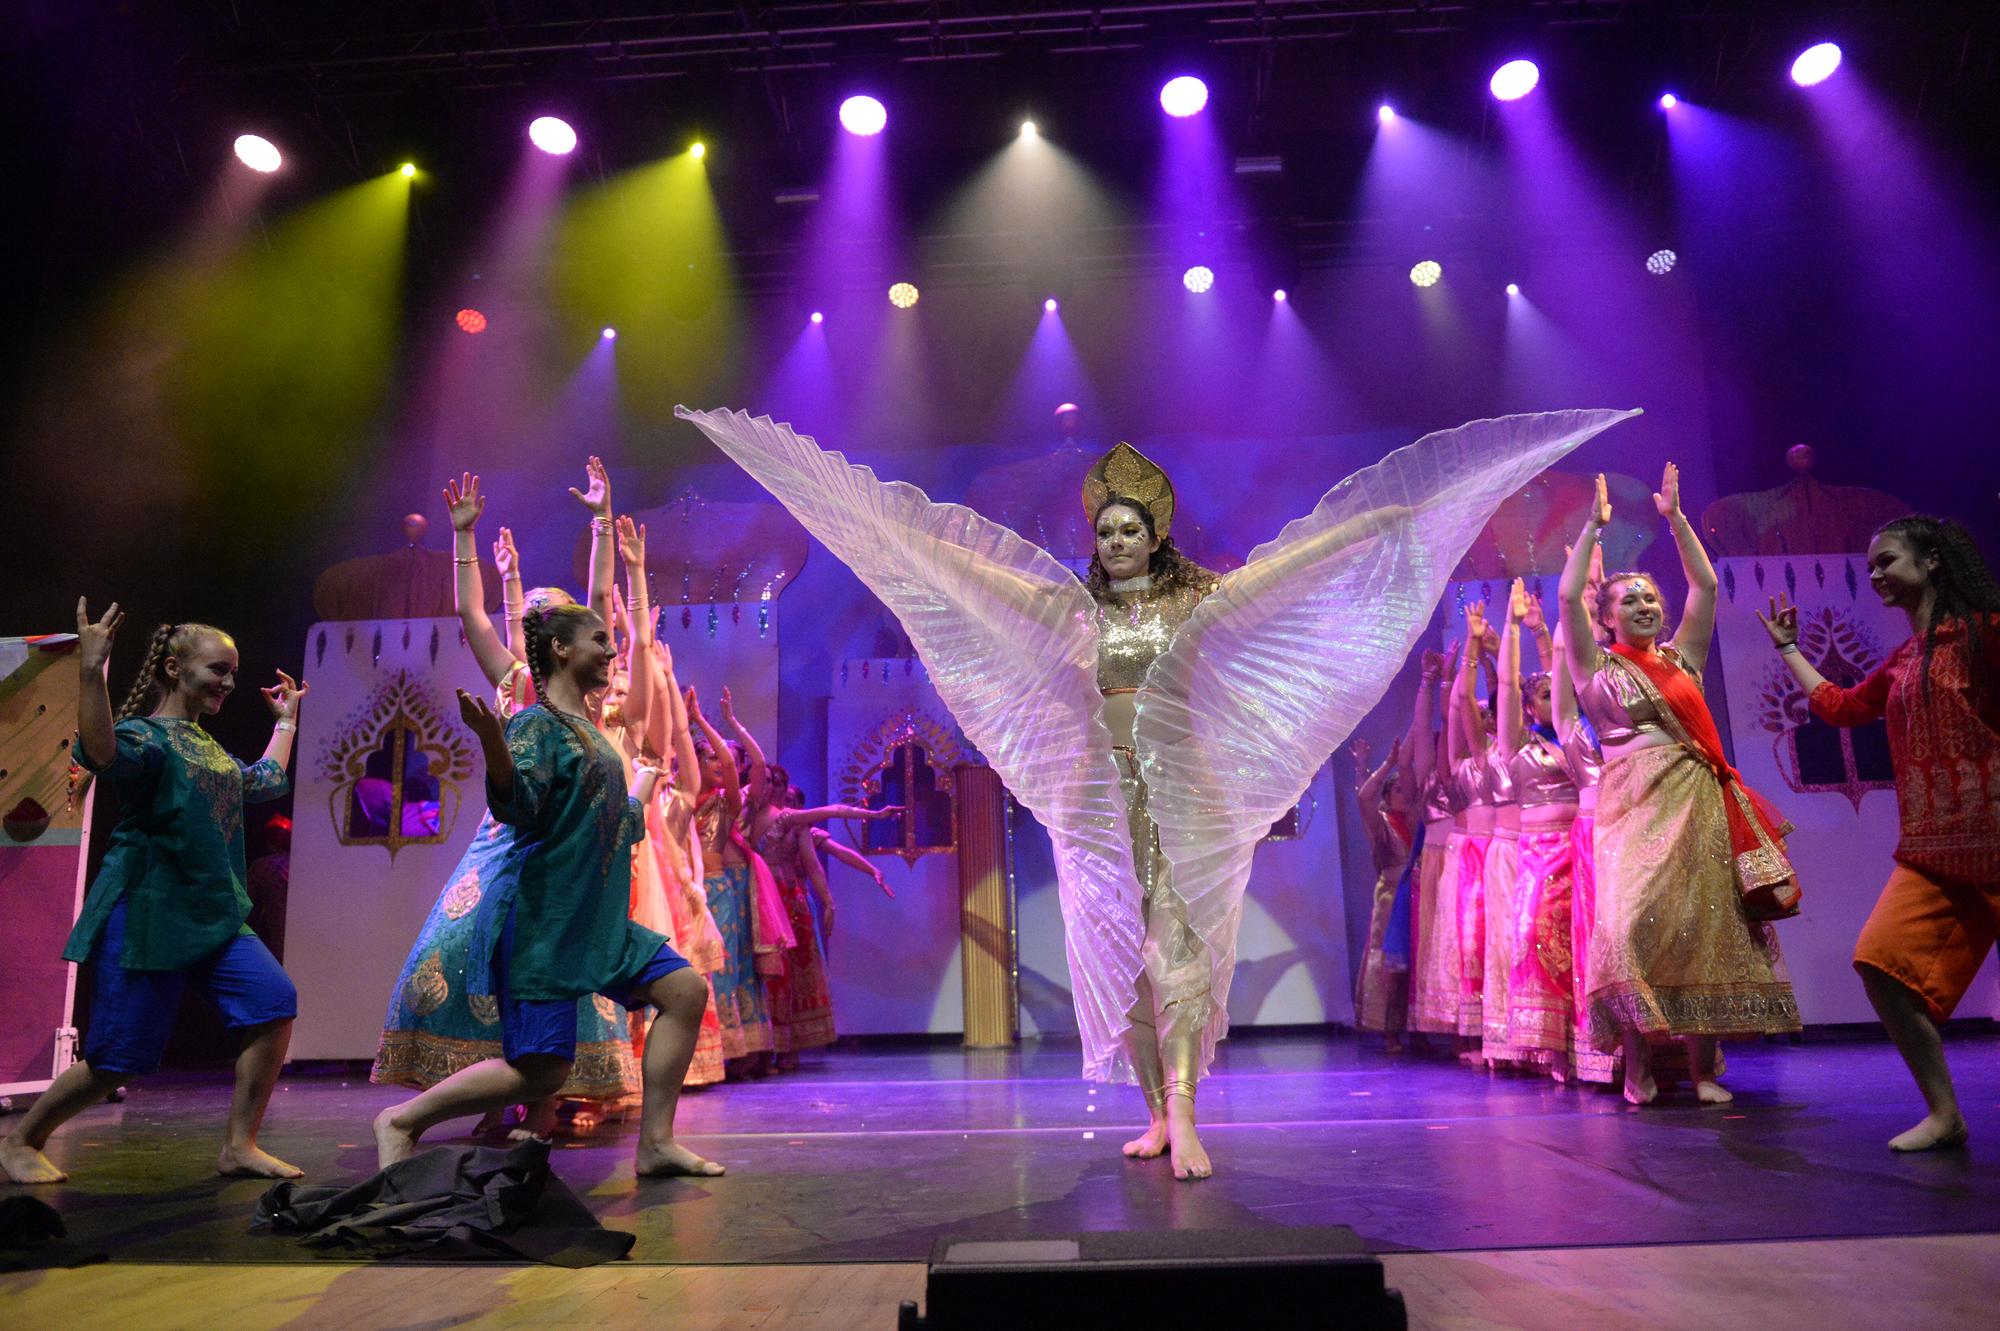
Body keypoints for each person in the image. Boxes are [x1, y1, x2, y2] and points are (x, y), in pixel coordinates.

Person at [678, 403, 1639, 1178]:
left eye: (1133, 526)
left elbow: (1280, 576)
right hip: (1100, 804)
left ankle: (1183, 1109)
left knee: (1184, 950)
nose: (1120, 537)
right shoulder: (1072, 608)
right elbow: (963, 569)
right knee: (1121, 958)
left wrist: (1380, 525)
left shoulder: (1195, 598)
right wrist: (887, 532)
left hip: (1183, 795)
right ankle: (1151, 1108)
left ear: (1156, 532)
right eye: (1107, 528)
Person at [372, 603, 721, 1177]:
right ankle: (403, 1120)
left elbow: (607, 825)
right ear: (561, 648)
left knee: (684, 991)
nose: (612, 652)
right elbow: (521, 808)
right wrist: (492, 741)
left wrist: (638, 788)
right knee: (541, 1073)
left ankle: (656, 1144)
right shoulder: (536, 724)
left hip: (595, 919)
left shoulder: (588, 729)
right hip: (546, 920)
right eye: (600, 640)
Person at [372, 466, 639, 1131]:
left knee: (560, 973)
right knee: (478, 956)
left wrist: (603, 521)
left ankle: (539, 1108)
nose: (543, 615)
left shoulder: (588, 688)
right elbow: (470, 612)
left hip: (574, 844)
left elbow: (601, 596)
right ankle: (499, 1103)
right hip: (510, 843)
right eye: (536, 611)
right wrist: (465, 537)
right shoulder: (517, 678)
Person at [2, 605, 307, 1184]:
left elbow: (262, 781)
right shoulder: (144, 736)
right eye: (219, 669)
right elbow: (101, 754)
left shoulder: (207, 746)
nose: (229, 683)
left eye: (233, 674)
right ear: (174, 668)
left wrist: (286, 721)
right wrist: (90, 672)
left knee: (272, 1004)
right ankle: (20, 1139)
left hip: (214, 914)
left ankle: (238, 1146)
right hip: (149, 910)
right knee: (118, 1060)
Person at [1558, 467, 1801, 1106]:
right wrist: (1592, 529)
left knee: (1700, 924)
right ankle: (1635, 1060)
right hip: (1631, 806)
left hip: (1693, 799)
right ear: (1606, 619)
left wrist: (1675, 518)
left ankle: (1701, 1070)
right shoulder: (1595, 668)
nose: (1646, 606)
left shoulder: (1679, 660)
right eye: (1630, 600)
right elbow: (1564, 603)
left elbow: (1707, 584)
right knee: (1629, 924)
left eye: (1650, 598)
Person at [1757, 515, 2000, 1150]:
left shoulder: (1990, 636)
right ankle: (1945, 1114)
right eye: (1870, 567)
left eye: (1886, 561)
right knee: (1881, 965)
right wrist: (1788, 649)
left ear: (1932, 562)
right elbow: (1840, 708)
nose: (1875, 575)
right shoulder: (1907, 657)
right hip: (1934, 848)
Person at [1497, 579, 1580, 1077]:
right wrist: (1510, 631)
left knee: (1582, 943)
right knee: (1538, 939)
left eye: (1557, 693)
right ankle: (1552, 1048)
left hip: (1581, 848)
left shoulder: (1577, 738)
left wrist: (1542, 629)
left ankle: (1590, 1042)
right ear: (1529, 710)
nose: (1552, 699)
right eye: (1543, 696)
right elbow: (1507, 686)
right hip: (1537, 854)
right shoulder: (1518, 749)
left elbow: (1565, 672)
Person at [1407, 646, 1465, 1045]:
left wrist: (1453, 678)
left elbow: (1455, 715)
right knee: (1434, 949)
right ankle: (1444, 1026)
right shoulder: (1430, 774)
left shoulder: (1465, 769)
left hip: (1461, 861)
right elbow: (1429, 728)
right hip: (1432, 862)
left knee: (1464, 946)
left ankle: (1471, 1029)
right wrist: (1429, 682)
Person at [1350, 737, 1415, 1050]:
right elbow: (1364, 798)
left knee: (1415, 964)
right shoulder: (1382, 824)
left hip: (1415, 897)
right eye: (1398, 789)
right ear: (1388, 796)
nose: (1405, 794)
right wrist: (1385, 764)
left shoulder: (1416, 823)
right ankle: (1388, 1030)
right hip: (1390, 899)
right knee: (1389, 963)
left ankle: (1417, 1030)